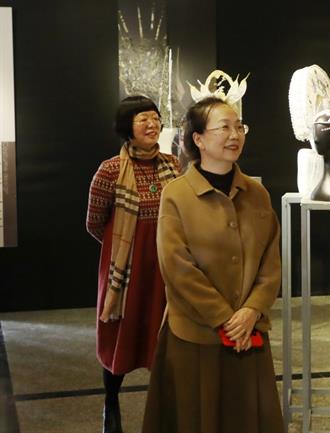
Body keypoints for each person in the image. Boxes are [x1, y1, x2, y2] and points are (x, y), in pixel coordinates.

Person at [141, 96, 284, 433]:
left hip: (249, 332)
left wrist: (251, 310)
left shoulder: (257, 194)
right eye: (224, 127)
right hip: (195, 334)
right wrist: (224, 318)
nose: (234, 135)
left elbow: (271, 262)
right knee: (196, 417)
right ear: (199, 139)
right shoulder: (177, 194)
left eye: (239, 127)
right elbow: (177, 267)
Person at [86, 95, 180, 433]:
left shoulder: (174, 164)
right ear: (128, 127)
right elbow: (94, 222)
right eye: (143, 119)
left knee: (162, 331)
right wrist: (126, 246)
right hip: (124, 269)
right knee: (120, 332)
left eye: (155, 117)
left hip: (165, 265)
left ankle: (165, 406)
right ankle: (111, 402)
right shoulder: (110, 170)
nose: (152, 124)